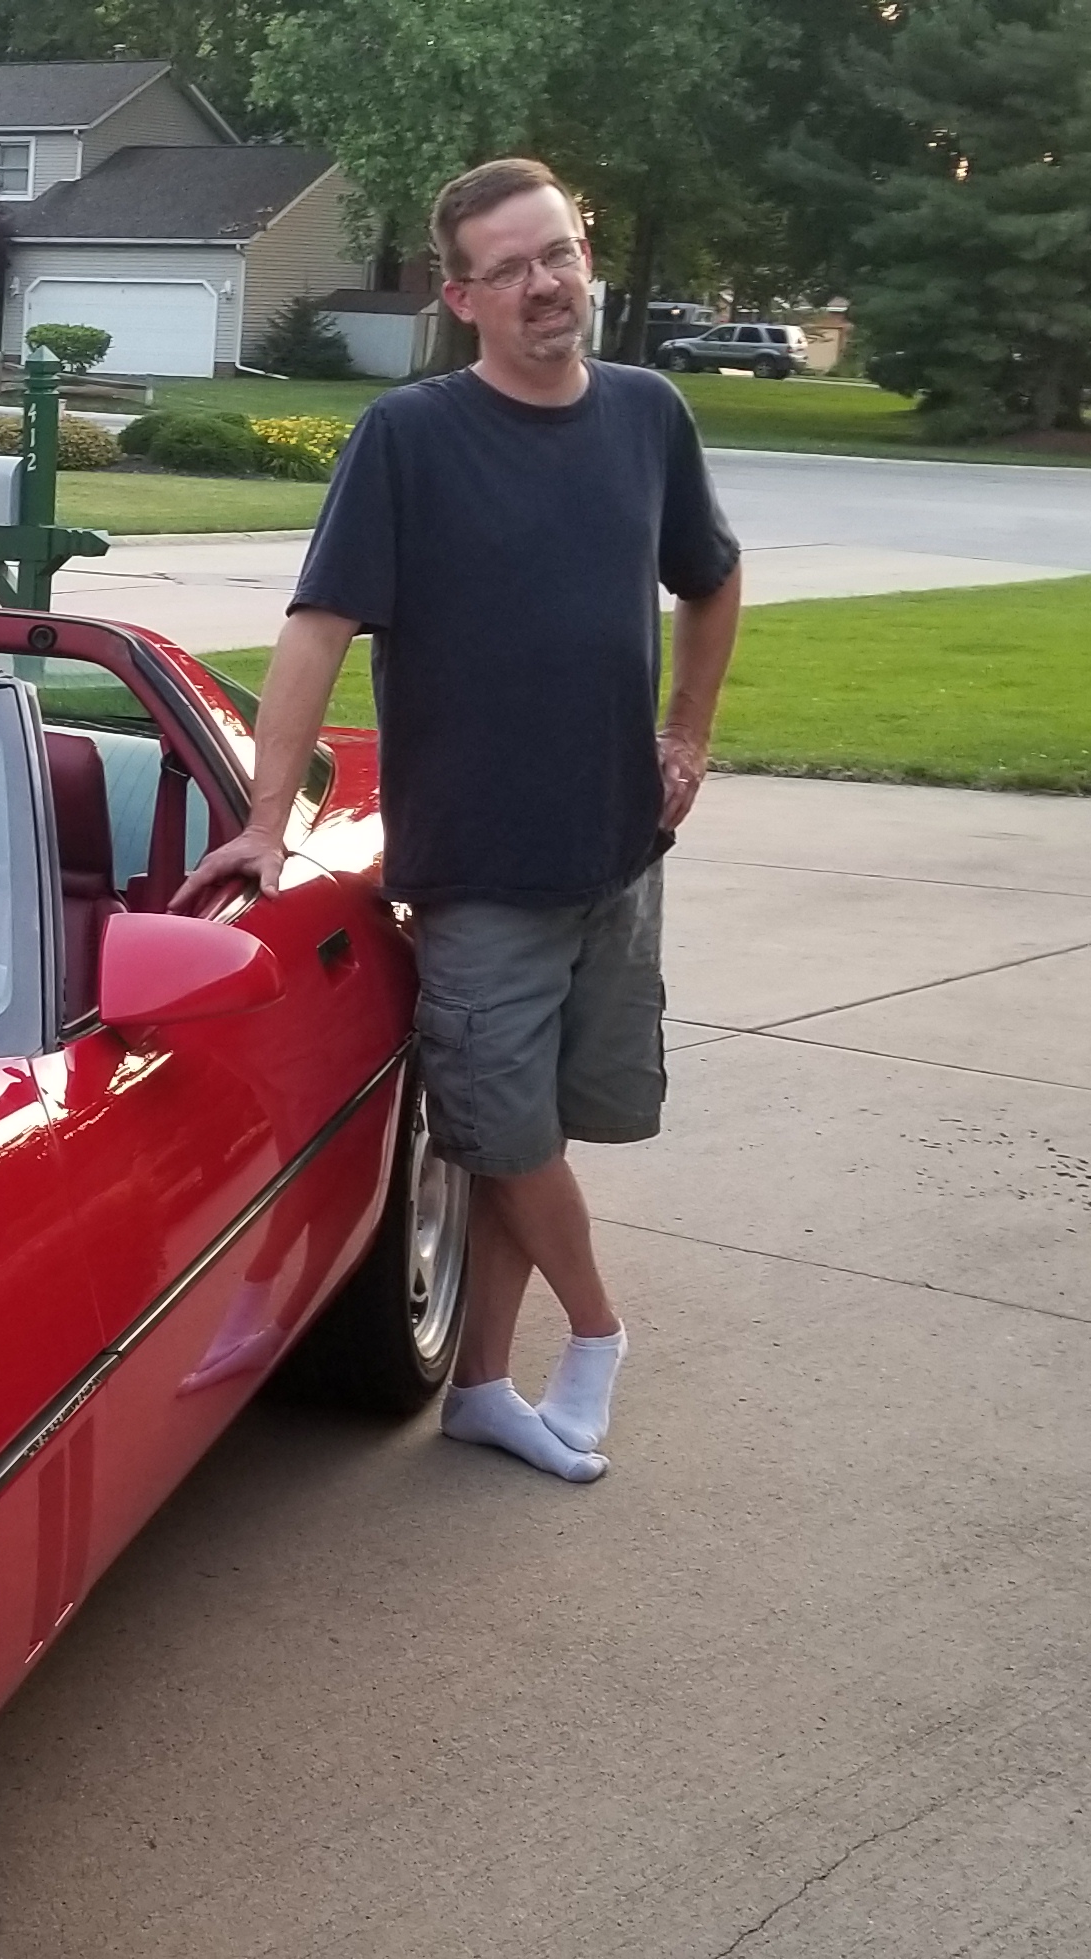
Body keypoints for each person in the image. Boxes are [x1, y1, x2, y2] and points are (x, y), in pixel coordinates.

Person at [178, 156, 742, 1482]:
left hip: (618, 853)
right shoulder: (412, 438)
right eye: (511, 268)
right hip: (480, 869)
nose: (545, 285)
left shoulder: (648, 415)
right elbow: (317, 629)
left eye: (559, 254)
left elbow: (712, 580)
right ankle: (596, 1328)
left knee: (539, 1128)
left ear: (584, 257)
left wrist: (689, 732)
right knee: (502, 1131)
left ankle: (482, 1383)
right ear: (462, 297)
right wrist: (266, 817)